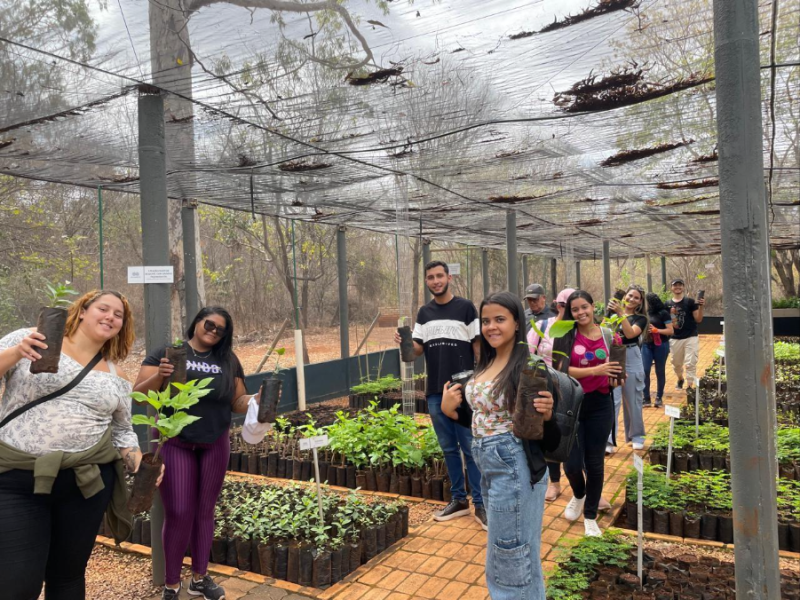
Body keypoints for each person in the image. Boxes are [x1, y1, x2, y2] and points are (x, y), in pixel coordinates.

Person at [0, 290, 152, 600]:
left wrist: (140, 464)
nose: (110, 317)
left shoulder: (117, 375)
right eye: (103, 308)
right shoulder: (32, 340)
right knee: (17, 584)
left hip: (84, 485)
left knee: (67, 578)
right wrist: (17, 352)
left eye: (119, 315)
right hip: (18, 480)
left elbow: (122, 431)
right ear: (82, 310)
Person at [441, 291, 558, 600]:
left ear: (517, 323)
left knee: (512, 555)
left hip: (514, 465)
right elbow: (484, 420)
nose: (491, 327)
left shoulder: (529, 368)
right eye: (486, 321)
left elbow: (548, 436)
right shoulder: (486, 363)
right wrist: (451, 411)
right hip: (488, 464)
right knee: (509, 552)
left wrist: (547, 416)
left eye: (500, 319)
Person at [135, 306, 254, 600]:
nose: (213, 331)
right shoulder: (169, 353)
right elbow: (140, 396)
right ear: (197, 322)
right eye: (209, 324)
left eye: (220, 329)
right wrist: (160, 375)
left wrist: (256, 401)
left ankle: (199, 578)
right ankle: (171, 583)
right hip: (173, 440)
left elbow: (237, 401)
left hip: (215, 442)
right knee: (179, 512)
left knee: (204, 511)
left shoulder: (228, 360)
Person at [395, 260, 485, 528]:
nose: (435, 281)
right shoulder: (424, 312)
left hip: (463, 389)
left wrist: (481, 380)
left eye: (439, 276)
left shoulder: (466, 308)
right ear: (426, 281)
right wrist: (405, 342)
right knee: (448, 448)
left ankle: (481, 504)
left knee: (470, 447)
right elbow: (417, 350)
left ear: (449, 278)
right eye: (430, 277)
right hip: (435, 389)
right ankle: (459, 500)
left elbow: (477, 346)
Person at [553, 290, 622, 537]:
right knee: (571, 463)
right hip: (572, 403)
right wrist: (596, 370)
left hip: (600, 405)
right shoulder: (565, 335)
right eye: (575, 309)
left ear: (593, 307)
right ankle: (579, 494)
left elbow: (618, 370)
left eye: (584, 307)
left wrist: (616, 379)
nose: (581, 313)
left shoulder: (609, 335)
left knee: (594, 463)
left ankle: (590, 517)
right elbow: (560, 370)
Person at [526, 287, 572, 503]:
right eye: (563, 305)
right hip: (547, 386)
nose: (566, 310)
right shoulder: (545, 326)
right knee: (550, 432)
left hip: (574, 388)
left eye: (571, 306)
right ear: (557, 305)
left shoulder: (579, 328)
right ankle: (554, 482)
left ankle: (584, 487)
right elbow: (528, 354)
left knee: (573, 435)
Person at [606, 285, 649, 452]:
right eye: (630, 295)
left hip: (631, 356)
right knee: (613, 400)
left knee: (633, 399)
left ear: (640, 302)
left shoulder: (640, 319)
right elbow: (602, 331)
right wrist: (609, 314)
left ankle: (637, 436)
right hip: (613, 356)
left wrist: (620, 313)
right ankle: (609, 441)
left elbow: (630, 334)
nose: (632, 299)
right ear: (624, 297)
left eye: (636, 297)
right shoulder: (612, 314)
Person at [665, 278, 705, 390]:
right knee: (676, 363)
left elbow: (698, 319)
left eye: (680, 285)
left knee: (690, 363)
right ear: (671, 288)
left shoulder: (690, 302)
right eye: (675, 285)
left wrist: (701, 306)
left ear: (683, 287)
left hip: (690, 336)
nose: (677, 287)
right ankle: (680, 378)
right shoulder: (667, 304)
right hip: (675, 338)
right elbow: (669, 323)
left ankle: (689, 386)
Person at [642, 293, 674, 408]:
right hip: (646, 344)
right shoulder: (644, 312)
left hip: (661, 344)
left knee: (659, 371)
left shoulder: (663, 313)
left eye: (645, 301)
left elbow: (670, 331)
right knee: (645, 370)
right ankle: (646, 398)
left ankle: (659, 397)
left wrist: (657, 330)